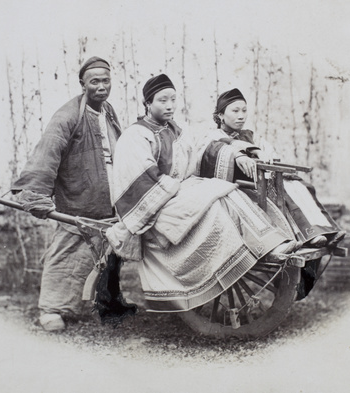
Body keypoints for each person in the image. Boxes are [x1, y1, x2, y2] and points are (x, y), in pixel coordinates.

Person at [105, 74, 298, 312]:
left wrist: (236, 153)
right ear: (147, 103)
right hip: (156, 203)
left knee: (227, 190)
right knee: (215, 203)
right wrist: (177, 186)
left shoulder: (177, 130)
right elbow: (141, 179)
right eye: (162, 100)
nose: (169, 106)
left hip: (179, 191)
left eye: (173, 99)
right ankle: (233, 257)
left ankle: (269, 243)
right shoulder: (136, 135)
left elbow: (202, 152)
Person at [11, 56, 121, 332]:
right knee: (67, 250)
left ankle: (95, 303)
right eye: (94, 81)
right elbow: (48, 152)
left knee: (100, 254)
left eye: (105, 80)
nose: (101, 86)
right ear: (83, 84)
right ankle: (51, 309)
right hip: (78, 196)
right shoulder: (67, 115)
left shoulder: (108, 112)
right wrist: (35, 193)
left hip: (107, 198)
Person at [198, 88, 345, 248]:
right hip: (241, 186)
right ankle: (308, 235)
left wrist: (267, 156)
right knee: (283, 191)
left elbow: (267, 151)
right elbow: (215, 152)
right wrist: (241, 155)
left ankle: (325, 230)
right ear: (220, 115)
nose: (241, 116)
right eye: (235, 111)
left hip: (262, 179)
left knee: (299, 186)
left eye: (244, 110)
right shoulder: (213, 135)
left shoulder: (250, 135)